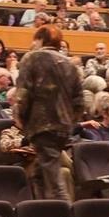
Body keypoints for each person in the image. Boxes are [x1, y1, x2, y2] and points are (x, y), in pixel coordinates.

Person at [12, 24, 82, 200]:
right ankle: (41, 206)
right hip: (63, 127)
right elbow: (79, 102)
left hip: (42, 124)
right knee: (39, 170)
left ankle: (65, 215)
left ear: (41, 39)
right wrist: (69, 122)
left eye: (35, 40)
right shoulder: (70, 64)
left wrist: (20, 116)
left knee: (54, 181)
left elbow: (23, 94)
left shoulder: (32, 58)